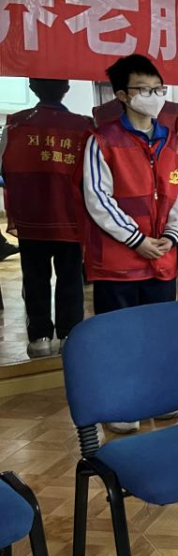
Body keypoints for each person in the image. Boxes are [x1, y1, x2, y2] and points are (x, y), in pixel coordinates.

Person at [83, 55, 178, 433]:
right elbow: (98, 198)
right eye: (144, 89)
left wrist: (171, 236)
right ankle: (119, 402)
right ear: (122, 96)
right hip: (119, 260)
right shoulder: (103, 141)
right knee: (119, 336)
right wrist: (136, 239)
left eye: (158, 89)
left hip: (161, 257)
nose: (154, 96)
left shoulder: (172, 142)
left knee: (158, 332)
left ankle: (158, 395)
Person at [0, 79, 93, 358]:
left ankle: (39, 337)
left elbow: (4, 169)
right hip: (69, 216)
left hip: (31, 217)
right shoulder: (83, 126)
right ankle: (69, 335)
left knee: (35, 278)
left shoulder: (15, 124)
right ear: (66, 89)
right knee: (70, 278)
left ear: (31, 87)